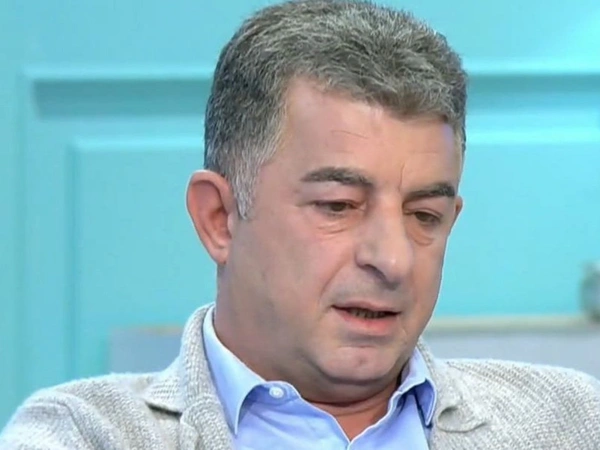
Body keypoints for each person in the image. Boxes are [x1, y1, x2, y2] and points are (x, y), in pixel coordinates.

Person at [2, 0, 600, 448]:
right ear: (219, 218)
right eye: (338, 206)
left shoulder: (571, 421)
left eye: (424, 215)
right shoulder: (82, 434)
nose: (392, 260)